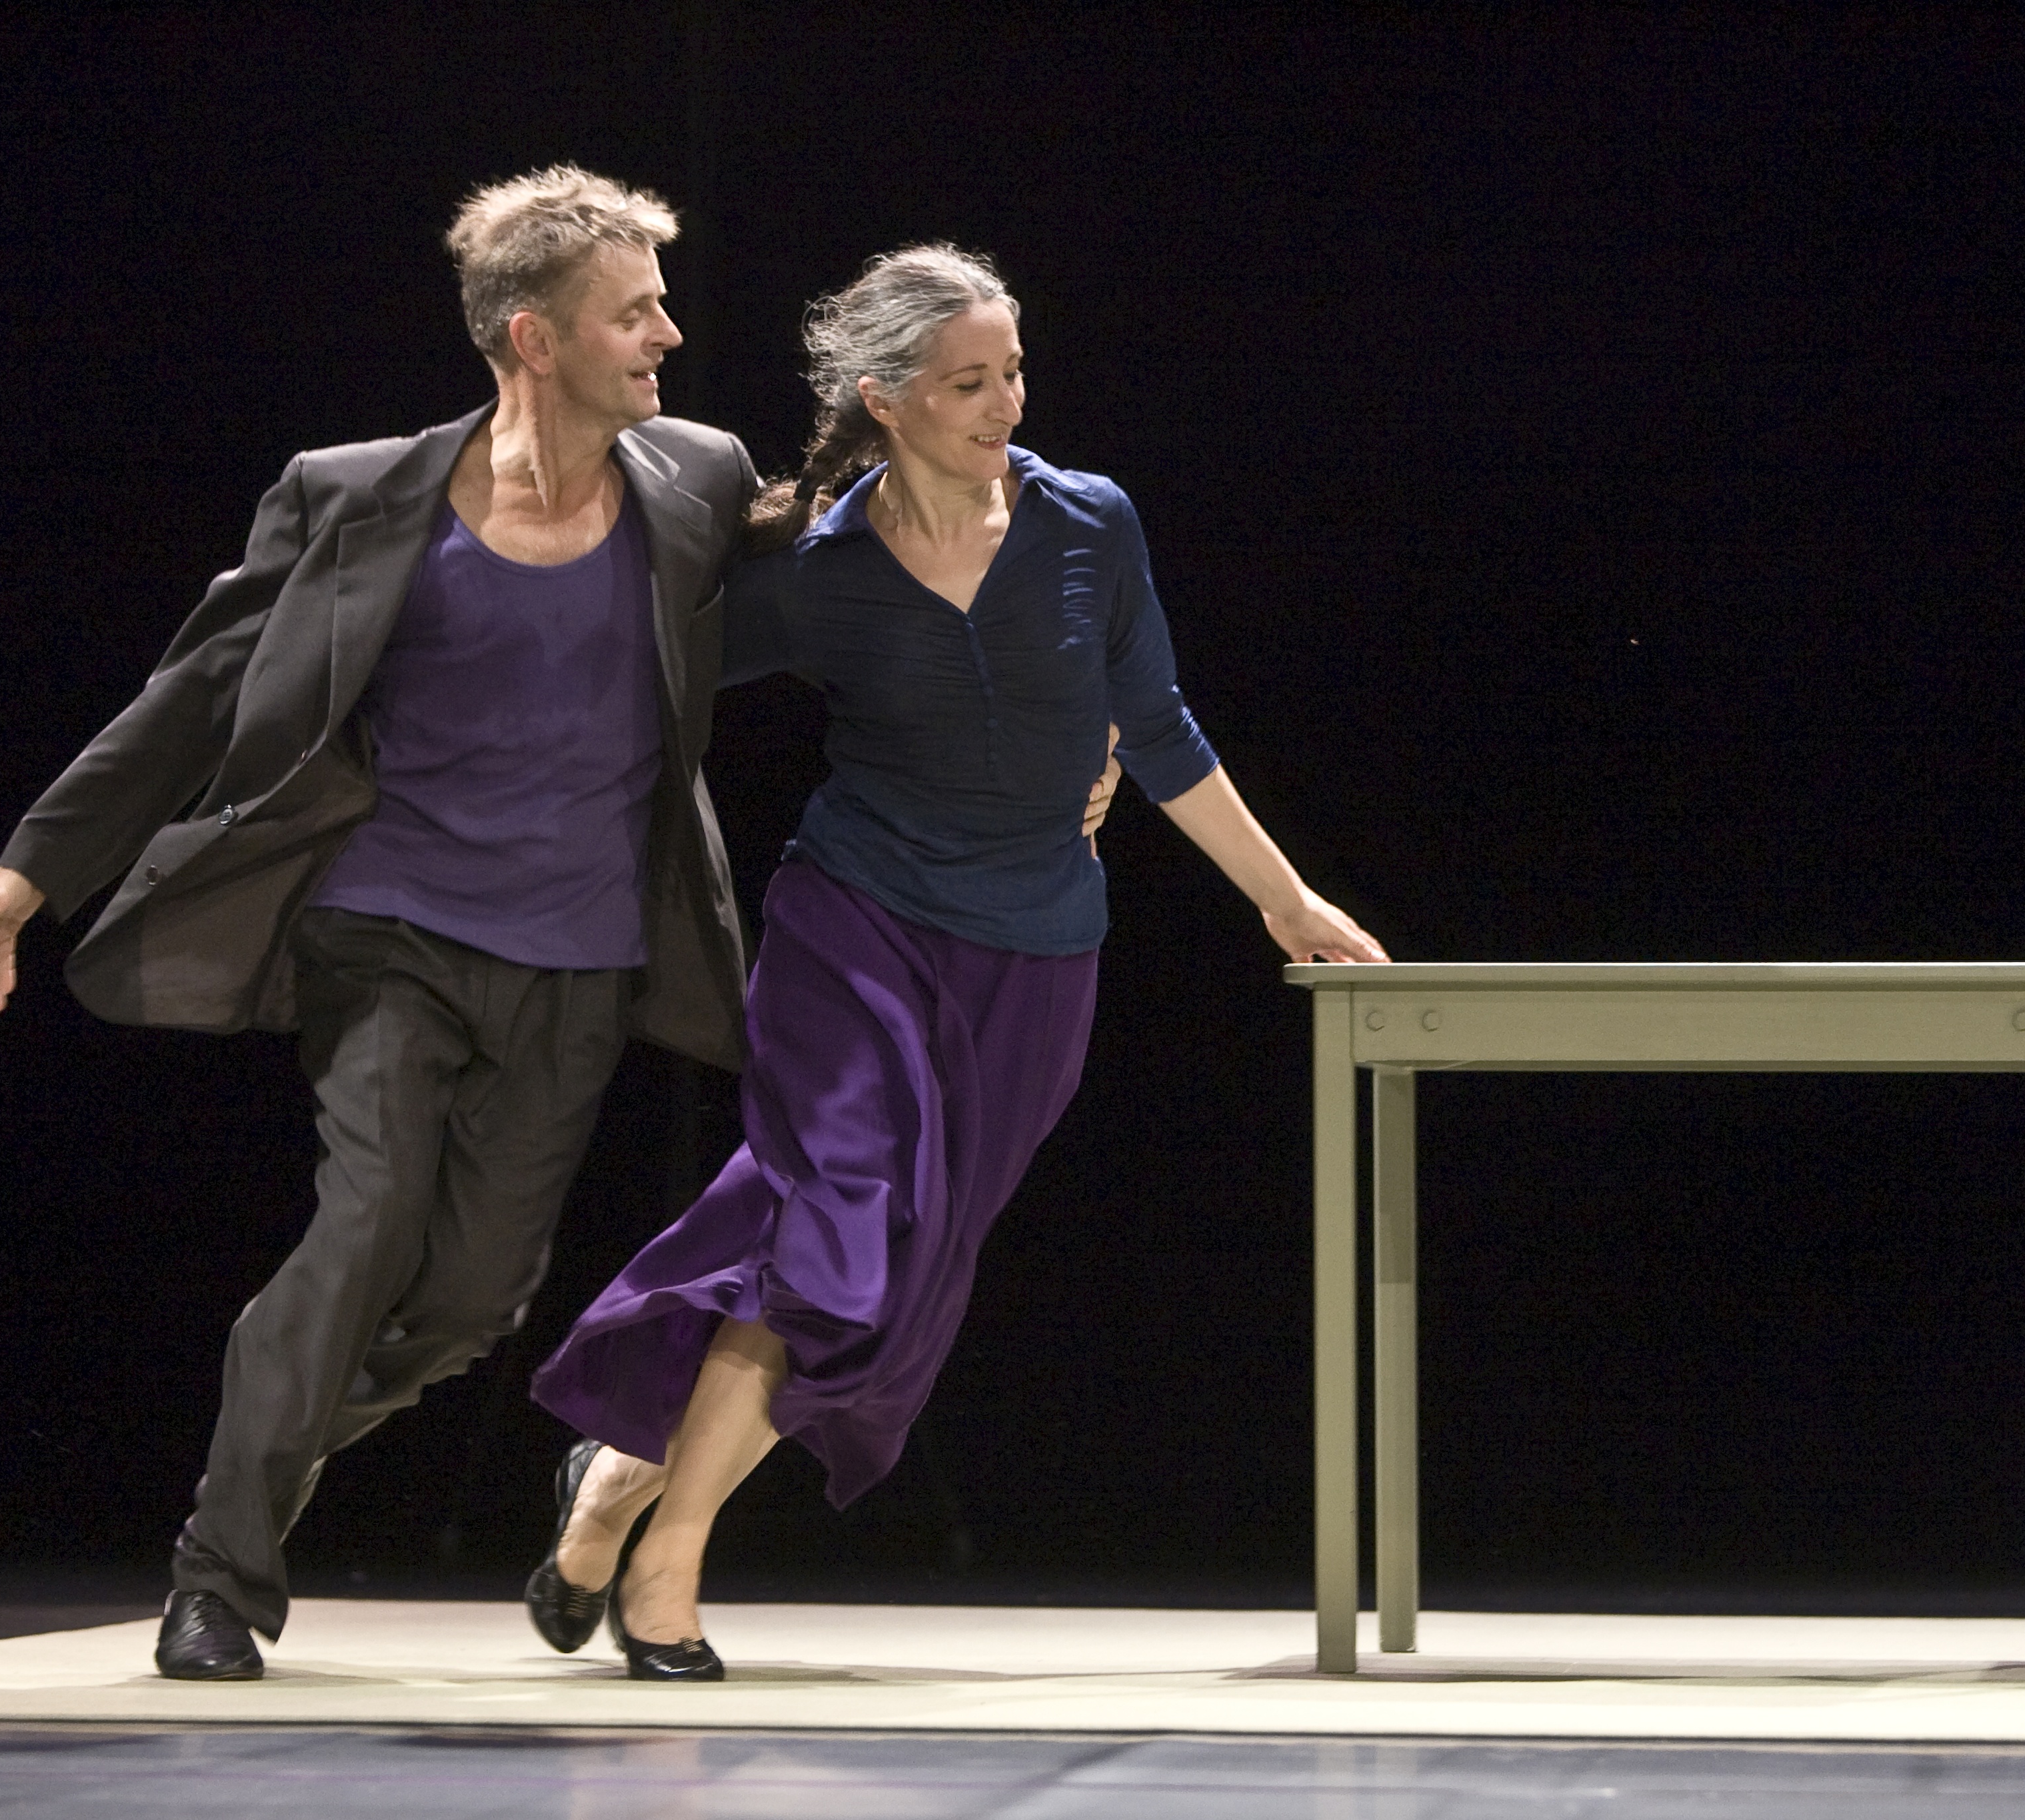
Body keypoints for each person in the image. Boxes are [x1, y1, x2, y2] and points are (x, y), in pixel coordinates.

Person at [0, 167, 767, 1681]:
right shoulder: (356, 495)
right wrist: (33, 867)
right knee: (366, 1224)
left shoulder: (698, 478)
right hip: (386, 929)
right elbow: (196, 685)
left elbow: (850, 591)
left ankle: (256, 1461)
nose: (666, 333)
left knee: (471, 1298)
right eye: (632, 312)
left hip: (584, 953)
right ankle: (221, 1574)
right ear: (533, 338)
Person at [519, 245, 1388, 1680]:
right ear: (887, 398)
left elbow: (1159, 729)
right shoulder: (820, 572)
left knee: (875, 1270)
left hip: (1034, 965)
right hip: (853, 929)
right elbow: (643, 678)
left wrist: (1281, 900)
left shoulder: (1088, 522)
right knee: (838, 1226)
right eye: (970, 382)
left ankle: (614, 1485)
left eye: (1014, 373)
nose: (1006, 404)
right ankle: (668, 1571)